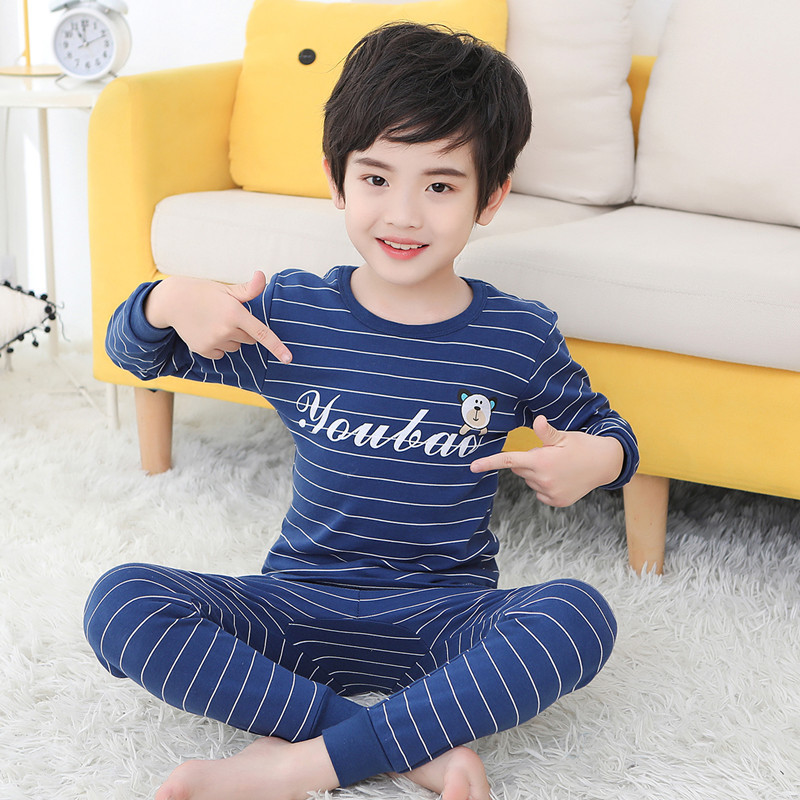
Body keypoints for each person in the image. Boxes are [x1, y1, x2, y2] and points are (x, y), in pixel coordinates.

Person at [84, 22, 639, 800]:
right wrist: (168, 300)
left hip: (446, 622)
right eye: (376, 178)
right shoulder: (294, 313)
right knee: (121, 600)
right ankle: (403, 749)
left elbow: (611, 434)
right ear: (337, 181)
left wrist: (599, 461)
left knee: (578, 615)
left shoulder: (518, 336)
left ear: (492, 196)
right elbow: (133, 354)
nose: (403, 214)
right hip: (292, 610)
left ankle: (298, 765)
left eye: (440, 186)